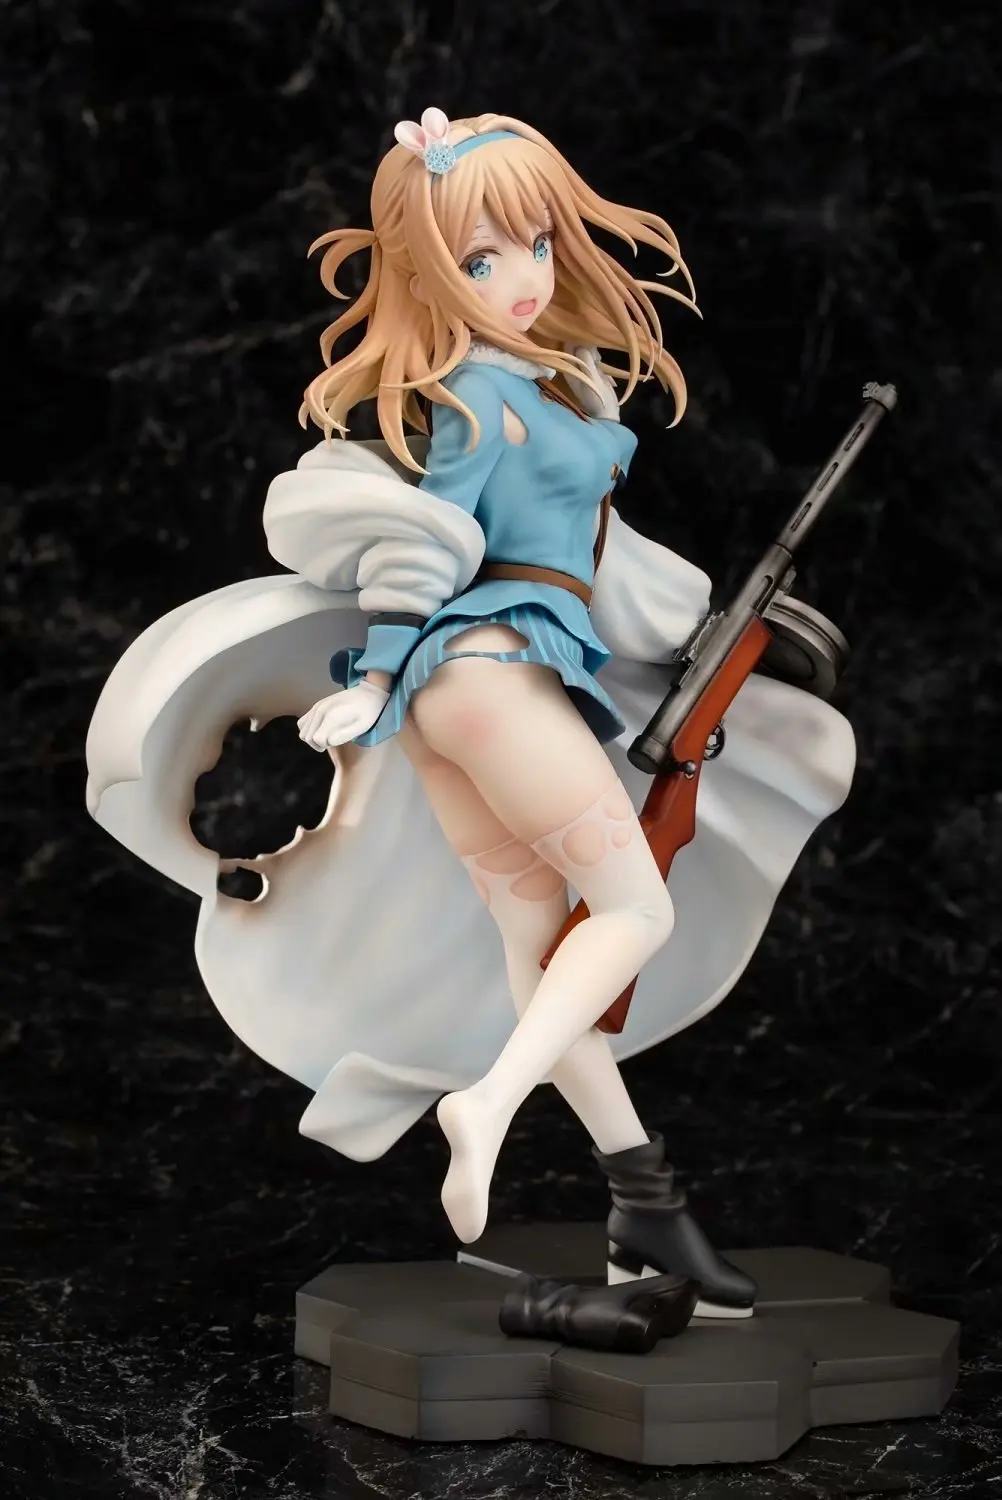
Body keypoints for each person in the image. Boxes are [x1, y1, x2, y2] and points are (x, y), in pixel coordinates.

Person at [85, 109, 856, 1320]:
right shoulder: (476, 399)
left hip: (469, 694)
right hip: (488, 677)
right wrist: (378, 675)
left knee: (540, 952)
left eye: (535, 245)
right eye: (481, 259)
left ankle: (642, 1202)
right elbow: (428, 542)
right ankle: (487, 1102)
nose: (522, 278)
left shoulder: (542, 381)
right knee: (635, 911)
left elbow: (593, 557)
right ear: (432, 273)